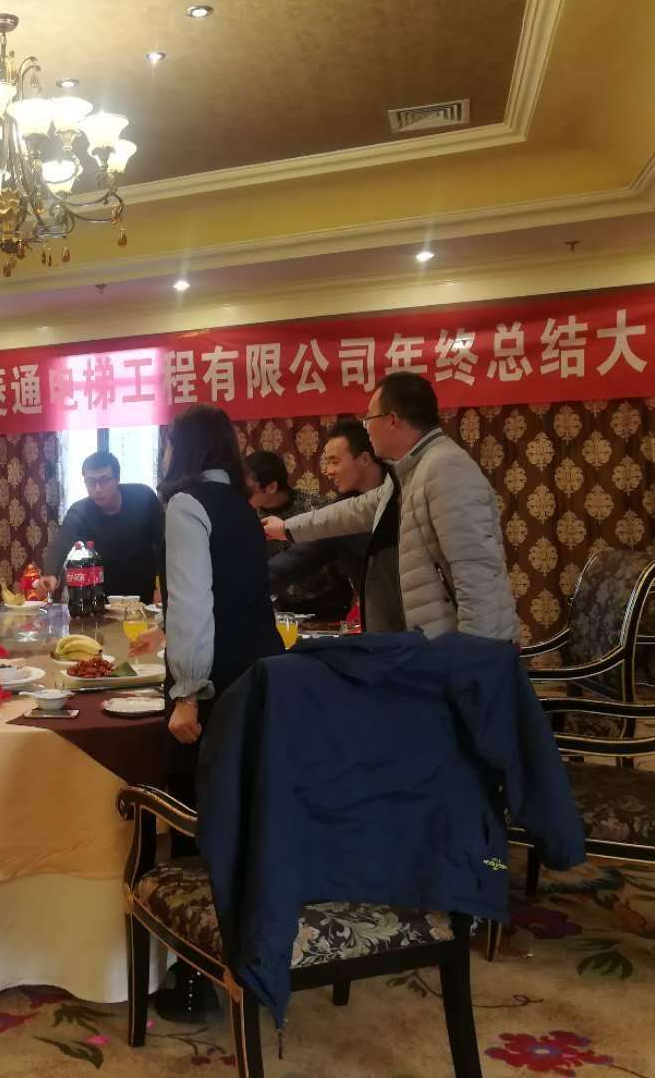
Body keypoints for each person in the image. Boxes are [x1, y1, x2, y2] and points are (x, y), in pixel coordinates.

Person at [155, 404, 283, 1022]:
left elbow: (191, 606)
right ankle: (254, 957)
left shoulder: (186, 504)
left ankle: (194, 977)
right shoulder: (241, 506)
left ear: (180, 449)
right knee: (246, 818)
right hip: (262, 672)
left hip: (217, 683)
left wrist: (186, 691)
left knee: (198, 828)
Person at [264, 373, 517, 640]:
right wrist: (286, 527)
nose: (367, 429)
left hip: (456, 647)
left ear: (392, 420)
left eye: (369, 419)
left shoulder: (445, 468)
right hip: (431, 642)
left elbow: (477, 572)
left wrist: (475, 653)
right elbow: (356, 510)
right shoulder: (412, 470)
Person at [266, 420, 406, 633]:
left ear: (364, 459)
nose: (328, 471)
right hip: (383, 628)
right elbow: (294, 561)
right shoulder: (339, 514)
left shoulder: (406, 492)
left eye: (334, 462)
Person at [41, 451, 164, 601]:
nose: (98, 489)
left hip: (145, 590)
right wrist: (51, 573)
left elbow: (164, 543)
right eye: (91, 482)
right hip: (101, 595)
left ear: (117, 479)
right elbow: (61, 543)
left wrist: (162, 586)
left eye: (104, 480)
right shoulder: (80, 511)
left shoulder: (143, 497)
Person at [245, 450, 352, 620]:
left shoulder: (316, 509)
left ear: (271, 487)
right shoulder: (247, 518)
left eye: (248, 489)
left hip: (327, 605)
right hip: (279, 608)